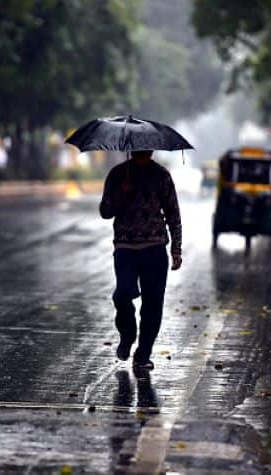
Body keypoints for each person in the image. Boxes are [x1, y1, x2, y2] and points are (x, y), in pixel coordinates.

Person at [100, 150, 182, 370]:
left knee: (153, 306)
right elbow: (105, 211)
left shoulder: (161, 175)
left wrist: (176, 248)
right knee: (122, 294)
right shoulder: (118, 174)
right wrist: (121, 193)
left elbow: (173, 213)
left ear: (152, 150)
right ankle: (127, 335)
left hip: (155, 249)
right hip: (125, 248)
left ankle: (143, 355)